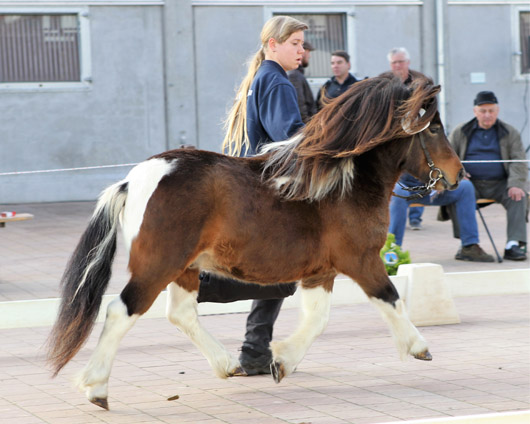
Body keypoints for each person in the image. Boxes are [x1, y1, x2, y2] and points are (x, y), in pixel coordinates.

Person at [197, 15, 308, 375]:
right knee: (281, 272)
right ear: (272, 44)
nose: (302, 51)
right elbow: (287, 138)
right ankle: (209, 293)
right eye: (295, 43)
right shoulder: (277, 81)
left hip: (252, 185)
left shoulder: (262, 77)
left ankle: (255, 351)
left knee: (280, 273)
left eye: (302, 44)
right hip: (267, 189)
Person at [449, 91, 528, 261]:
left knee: (519, 195)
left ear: (497, 111)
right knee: (458, 192)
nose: (487, 115)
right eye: (483, 111)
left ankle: (513, 244)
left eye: (491, 111)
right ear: (475, 111)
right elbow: (447, 158)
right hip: (472, 184)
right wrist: (459, 174)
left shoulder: (510, 132)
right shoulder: (460, 131)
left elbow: (518, 160)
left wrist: (515, 183)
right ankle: (467, 244)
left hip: (501, 183)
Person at [389, 176, 495, 262]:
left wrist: (451, 176)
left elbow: (450, 162)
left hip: (434, 189)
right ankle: (393, 249)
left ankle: (469, 246)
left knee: (465, 187)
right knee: (397, 191)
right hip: (405, 187)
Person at [387, 47, 425, 230]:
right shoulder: (386, 85)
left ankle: (416, 216)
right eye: (394, 62)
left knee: (418, 170)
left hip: (415, 133)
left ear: (408, 63)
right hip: (394, 136)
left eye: (400, 61)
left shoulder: (419, 85)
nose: (397, 65)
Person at [288, 40, 317, 123]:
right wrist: (308, 128)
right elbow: (299, 107)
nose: (309, 56)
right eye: (308, 52)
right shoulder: (294, 75)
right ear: (302, 52)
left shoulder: (298, 74)